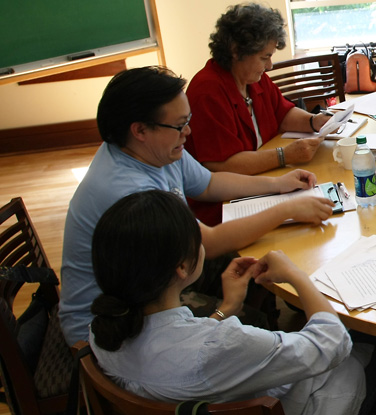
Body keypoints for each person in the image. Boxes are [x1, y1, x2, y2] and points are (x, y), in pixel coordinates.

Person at [87, 190, 368, 415]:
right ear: (182, 267)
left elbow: (177, 353)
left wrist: (225, 310)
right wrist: (297, 275)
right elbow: (334, 342)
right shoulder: (223, 345)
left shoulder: (104, 333)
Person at [59, 66, 334, 346]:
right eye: (180, 125)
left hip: (151, 280)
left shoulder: (154, 150)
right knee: (251, 323)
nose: (188, 132)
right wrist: (287, 209)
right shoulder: (128, 190)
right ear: (140, 129)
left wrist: (278, 185)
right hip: (112, 325)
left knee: (249, 266)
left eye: (187, 120)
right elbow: (208, 244)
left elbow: (208, 184)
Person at [186, 2, 333, 225]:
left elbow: (281, 113)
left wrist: (314, 122)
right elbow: (223, 165)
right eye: (265, 57)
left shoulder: (253, 77)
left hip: (263, 183)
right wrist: (285, 155)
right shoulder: (207, 91)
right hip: (227, 206)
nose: (270, 65)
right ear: (236, 51)